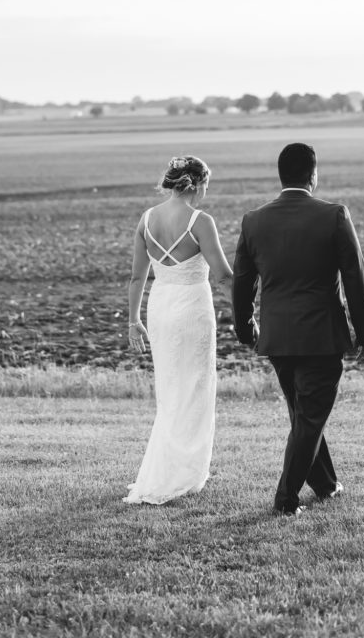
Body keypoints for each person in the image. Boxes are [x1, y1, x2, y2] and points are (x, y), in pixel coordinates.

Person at [232, 142, 364, 517]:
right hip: (321, 336)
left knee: (304, 416)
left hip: (277, 338)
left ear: (281, 176)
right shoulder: (334, 215)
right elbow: (355, 279)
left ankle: (326, 484)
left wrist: (246, 330)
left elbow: (243, 284)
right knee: (309, 418)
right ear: (314, 175)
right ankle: (285, 499)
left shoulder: (253, 220)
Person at [124, 155, 233, 505]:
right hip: (192, 310)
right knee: (196, 387)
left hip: (160, 308)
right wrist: (249, 310)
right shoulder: (201, 221)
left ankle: (171, 467)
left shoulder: (147, 219)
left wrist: (133, 320)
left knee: (170, 388)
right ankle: (186, 471)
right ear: (198, 184)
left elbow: (137, 276)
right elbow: (223, 275)